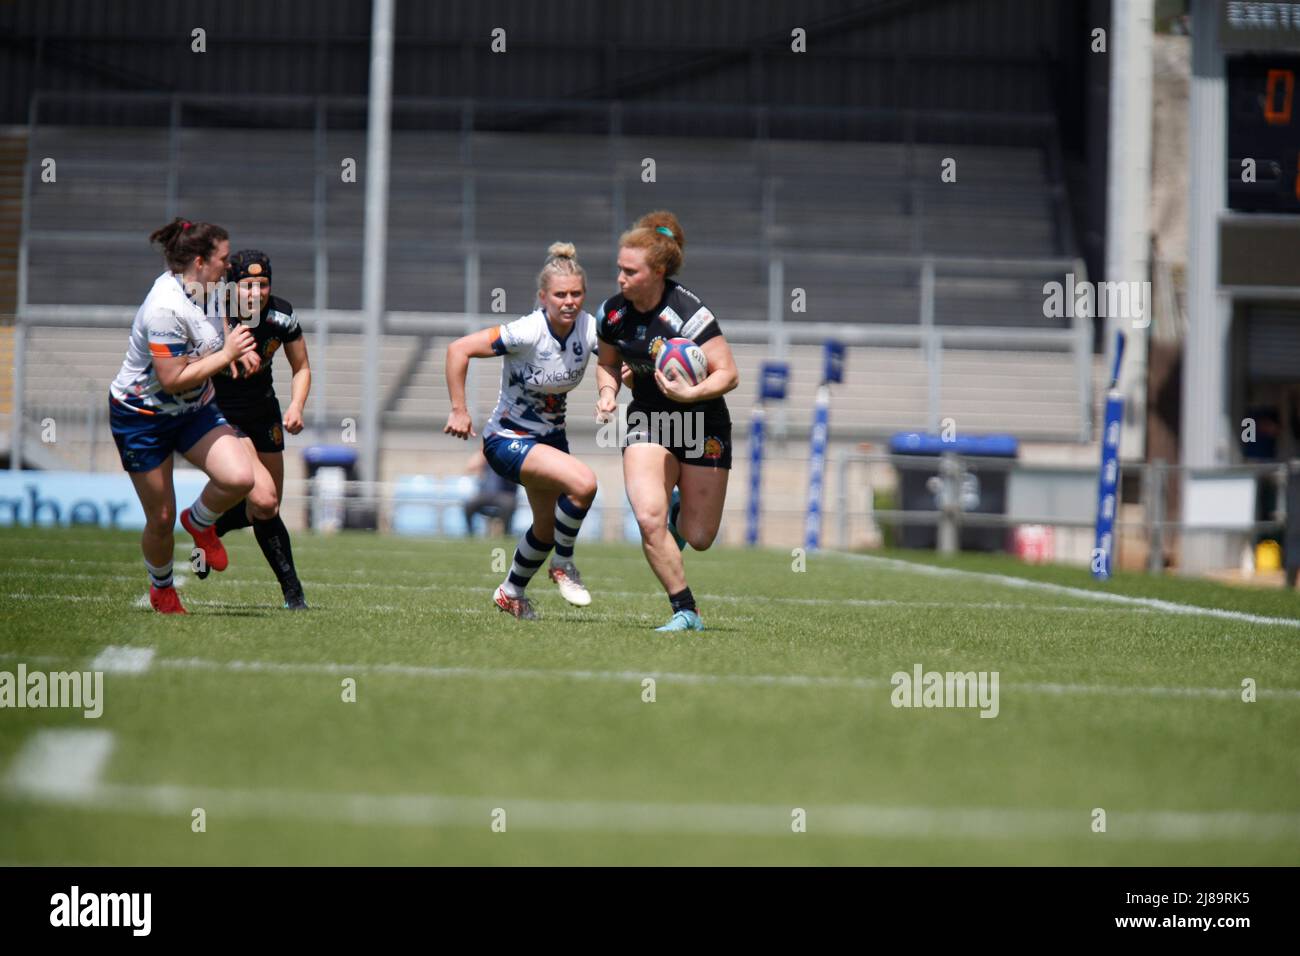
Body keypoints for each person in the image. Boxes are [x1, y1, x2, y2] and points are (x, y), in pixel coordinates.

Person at [593, 211, 740, 632]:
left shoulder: (689, 313)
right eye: (618, 269)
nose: (620, 278)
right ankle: (685, 611)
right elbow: (607, 363)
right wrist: (607, 393)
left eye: (629, 271)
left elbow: (728, 373)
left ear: (656, 271)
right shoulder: (612, 314)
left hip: (702, 422)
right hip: (649, 419)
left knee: (699, 536)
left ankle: (682, 511)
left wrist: (690, 393)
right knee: (647, 517)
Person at [108, 218, 256, 614]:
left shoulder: (211, 285)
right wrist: (225, 356)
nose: (230, 265)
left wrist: (234, 349)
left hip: (194, 409)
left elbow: (219, 319)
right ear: (199, 260)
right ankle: (162, 588)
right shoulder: (164, 308)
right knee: (160, 517)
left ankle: (201, 521)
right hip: (142, 416)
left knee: (240, 478)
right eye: (224, 258)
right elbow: (171, 379)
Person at [444, 242, 599, 619]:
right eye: (560, 294)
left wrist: (614, 385)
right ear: (542, 297)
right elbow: (458, 349)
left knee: (545, 530)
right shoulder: (527, 331)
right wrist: (459, 410)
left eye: (576, 294)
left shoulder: (590, 329)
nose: (568, 301)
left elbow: (613, 360)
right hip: (507, 440)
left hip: (550, 440)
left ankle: (511, 591)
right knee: (584, 484)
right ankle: (564, 565)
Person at [205, 249, 312, 610]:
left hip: (264, 414)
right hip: (220, 417)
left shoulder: (281, 314)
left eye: (262, 285)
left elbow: (302, 367)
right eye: (247, 285)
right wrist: (228, 350)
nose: (256, 293)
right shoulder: (210, 312)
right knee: (263, 499)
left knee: (265, 508)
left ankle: (210, 527)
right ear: (230, 285)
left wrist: (296, 406)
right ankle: (294, 595)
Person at [463, 449, 520, 536]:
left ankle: (506, 533)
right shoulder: (486, 458)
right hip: (486, 494)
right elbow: (470, 467)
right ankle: (470, 533)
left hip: (504, 494)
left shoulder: (511, 458)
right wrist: (482, 455)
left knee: (508, 504)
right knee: (469, 504)